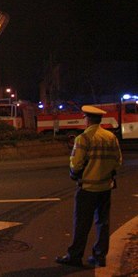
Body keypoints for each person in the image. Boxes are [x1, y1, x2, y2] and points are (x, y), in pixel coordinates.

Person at [56, 105, 122, 268]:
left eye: (85, 117)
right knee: (103, 222)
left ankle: (75, 256)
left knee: (82, 223)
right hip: (105, 187)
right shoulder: (110, 137)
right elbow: (118, 161)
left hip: (87, 188)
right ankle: (100, 256)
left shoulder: (83, 138)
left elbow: (76, 164)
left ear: (88, 119)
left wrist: (74, 172)